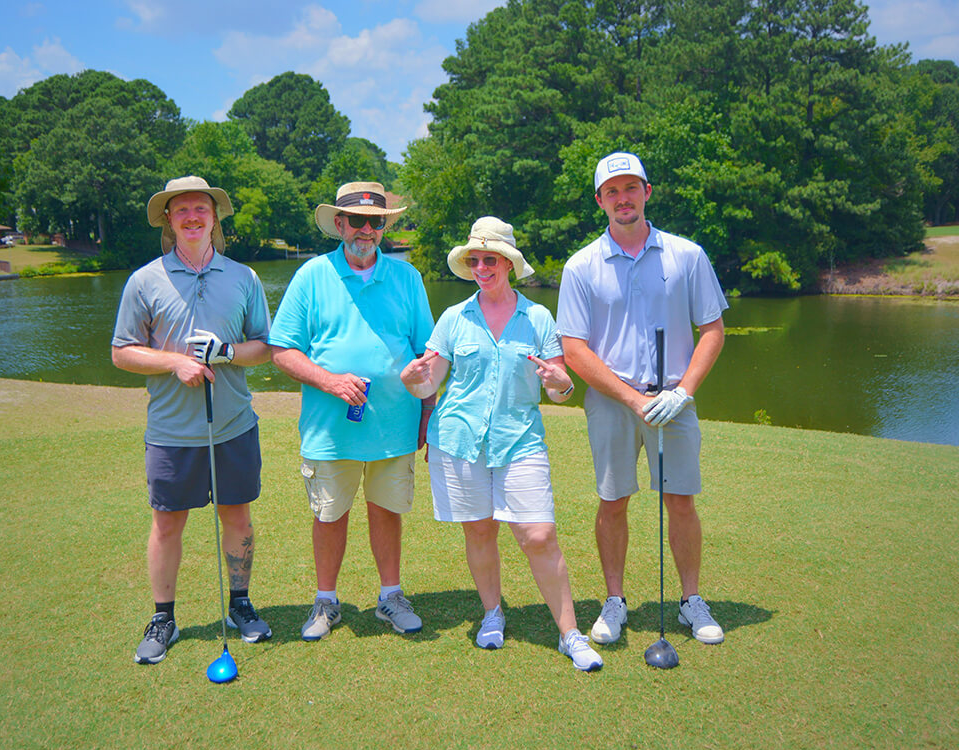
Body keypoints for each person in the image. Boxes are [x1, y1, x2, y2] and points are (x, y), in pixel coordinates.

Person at [400, 216, 604, 672]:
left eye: (490, 258)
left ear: (509, 263)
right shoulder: (454, 317)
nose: (482, 266)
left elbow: (559, 388)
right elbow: (430, 377)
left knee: (538, 534)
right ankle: (492, 614)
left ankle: (570, 634)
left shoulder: (538, 318)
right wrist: (413, 379)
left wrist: (560, 382)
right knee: (479, 529)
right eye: (475, 259)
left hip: (520, 441)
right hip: (458, 440)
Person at [557, 152, 729, 647]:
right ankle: (615, 600)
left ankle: (691, 600)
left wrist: (684, 392)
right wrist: (633, 400)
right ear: (599, 201)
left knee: (680, 501)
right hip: (613, 403)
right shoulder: (581, 265)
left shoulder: (686, 255)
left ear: (647, 192)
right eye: (612, 191)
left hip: (674, 400)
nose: (622, 198)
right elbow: (574, 349)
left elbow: (713, 330)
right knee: (613, 501)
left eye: (631, 188)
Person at [112, 176, 273, 665]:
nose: (192, 217)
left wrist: (224, 352)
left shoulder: (243, 277)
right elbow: (121, 353)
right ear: (168, 220)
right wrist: (174, 362)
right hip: (171, 431)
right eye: (180, 210)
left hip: (232, 425)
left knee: (237, 516)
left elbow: (264, 347)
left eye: (201, 209)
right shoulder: (145, 280)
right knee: (167, 525)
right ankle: (164, 617)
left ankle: (240, 605)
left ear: (214, 217)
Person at [268, 181, 435, 641]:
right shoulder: (311, 276)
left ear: (384, 227)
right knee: (329, 515)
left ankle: (391, 597)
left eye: (375, 222)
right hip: (329, 429)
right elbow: (282, 350)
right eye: (356, 220)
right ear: (339, 224)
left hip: (395, 426)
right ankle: (326, 601)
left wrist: (427, 413)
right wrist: (329, 380)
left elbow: (428, 353)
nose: (366, 229)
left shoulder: (408, 278)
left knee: (386, 510)